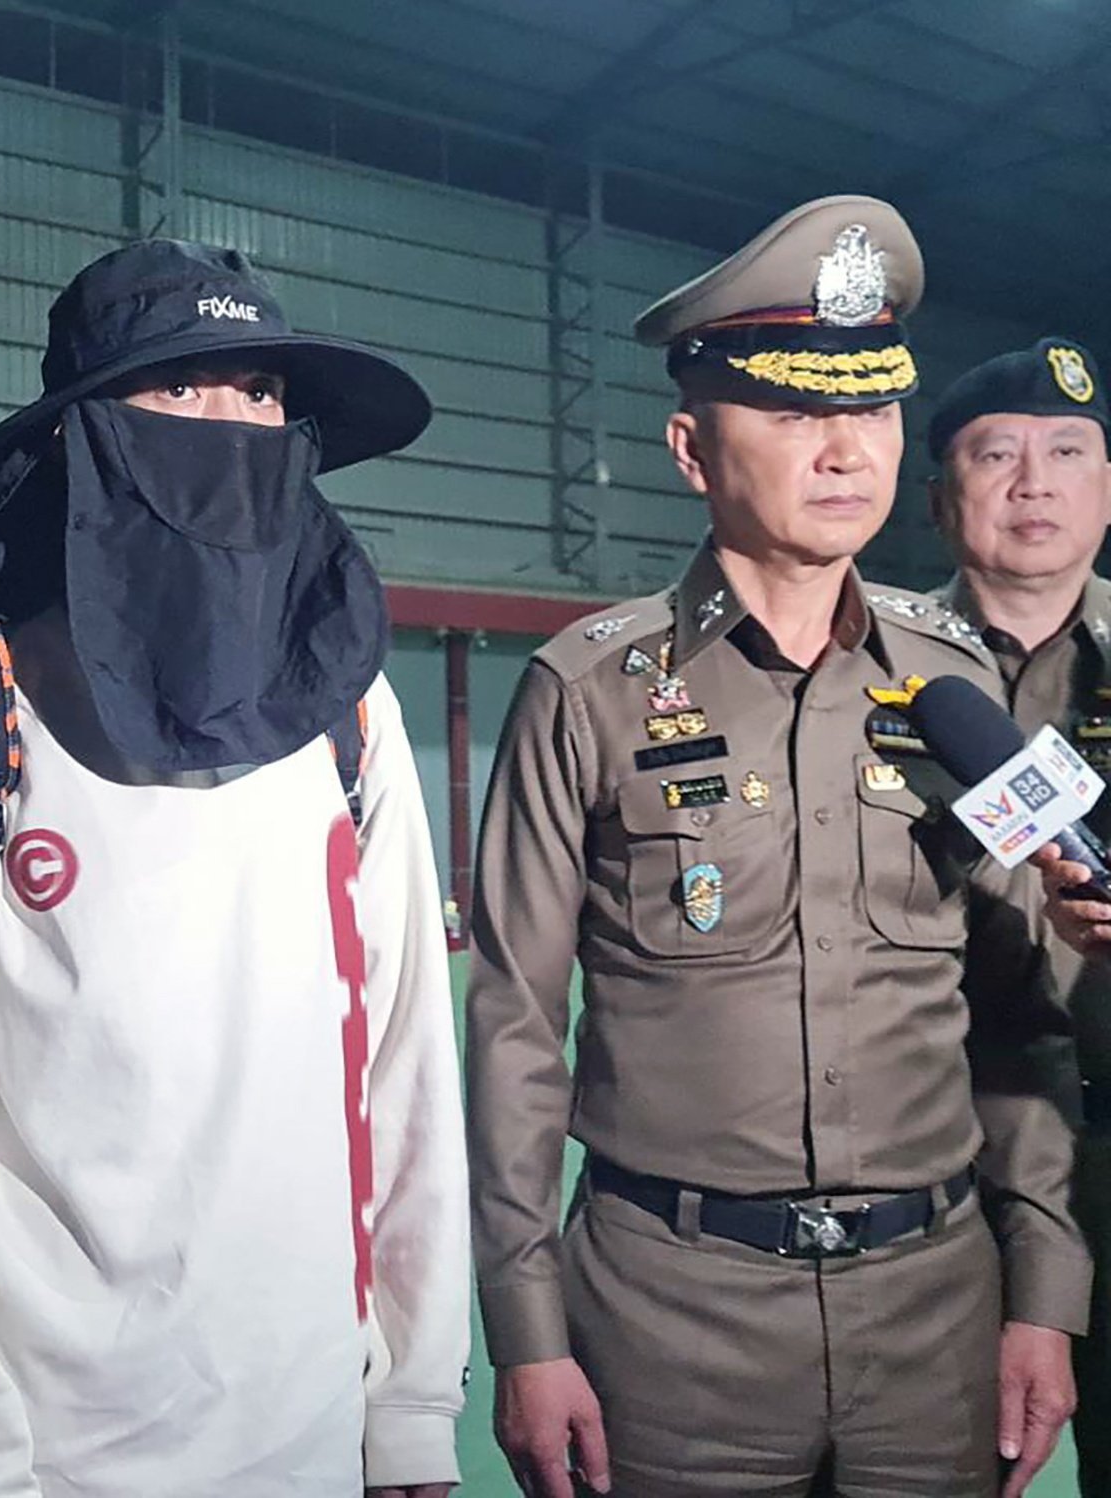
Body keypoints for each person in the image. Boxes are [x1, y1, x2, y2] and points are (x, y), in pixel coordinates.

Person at [0, 240, 469, 1497]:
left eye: (259, 392)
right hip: (54, 1455)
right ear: (79, 434)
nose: (228, 425)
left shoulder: (346, 706)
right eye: (180, 390)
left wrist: (413, 1408)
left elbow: (404, 1063)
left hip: (315, 1429)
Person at [466, 195, 1090, 1498]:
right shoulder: (588, 687)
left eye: (867, 410)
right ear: (694, 448)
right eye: (797, 411)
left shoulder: (955, 687)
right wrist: (527, 1335)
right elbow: (516, 1027)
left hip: (937, 1314)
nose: (843, 449)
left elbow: (1019, 1012)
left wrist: (1044, 1288)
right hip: (669, 1325)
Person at [929, 336, 1111, 1494]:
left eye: (1065, 453)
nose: (1031, 481)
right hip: (932, 1157)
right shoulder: (855, 676)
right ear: (940, 494)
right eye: (995, 453)